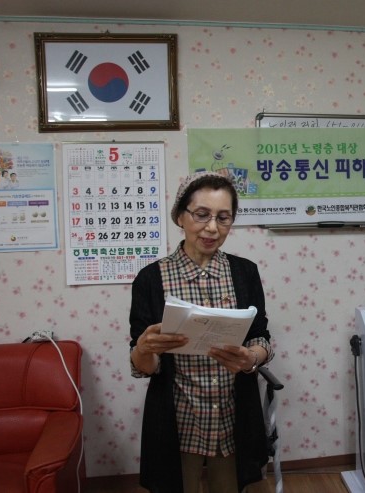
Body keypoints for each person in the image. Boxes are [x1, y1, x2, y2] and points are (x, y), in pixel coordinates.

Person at [129, 171, 273, 493]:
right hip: (178, 417)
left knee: (230, 486)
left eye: (223, 218)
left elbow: (261, 336)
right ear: (180, 216)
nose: (212, 228)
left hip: (232, 414)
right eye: (201, 214)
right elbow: (143, 366)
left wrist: (251, 357)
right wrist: (144, 348)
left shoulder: (244, 272)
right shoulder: (151, 279)